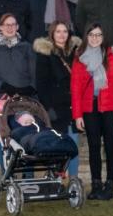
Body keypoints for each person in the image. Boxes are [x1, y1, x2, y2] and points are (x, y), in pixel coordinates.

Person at [71, 23, 113, 201]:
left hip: (110, 107)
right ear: (86, 37)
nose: (95, 38)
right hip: (90, 108)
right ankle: (96, 184)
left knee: (110, 146)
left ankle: (110, 183)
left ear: (104, 38)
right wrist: (77, 115)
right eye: (92, 35)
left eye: (99, 35)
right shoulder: (79, 59)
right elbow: (76, 89)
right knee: (94, 146)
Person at [0, 13, 36, 172]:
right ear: (0, 27)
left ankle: (28, 178)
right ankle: (7, 176)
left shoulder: (26, 47)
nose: (10, 28)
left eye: (13, 24)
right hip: (0, 99)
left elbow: (34, 73)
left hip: (24, 99)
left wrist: (30, 88)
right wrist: (2, 85)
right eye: (6, 25)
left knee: (27, 135)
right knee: (3, 138)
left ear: (17, 27)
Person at [34, 21, 82, 178]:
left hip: (73, 105)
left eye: (65, 31)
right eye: (58, 32)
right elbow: (41, 84)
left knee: (73, 144)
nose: (62, 35)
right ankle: (55, 180)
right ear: (52, 34)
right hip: (55, 107)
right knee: (56, 146)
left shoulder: (75, 53)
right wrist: (48, 108)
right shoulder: (45, 54)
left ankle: (73, 180)